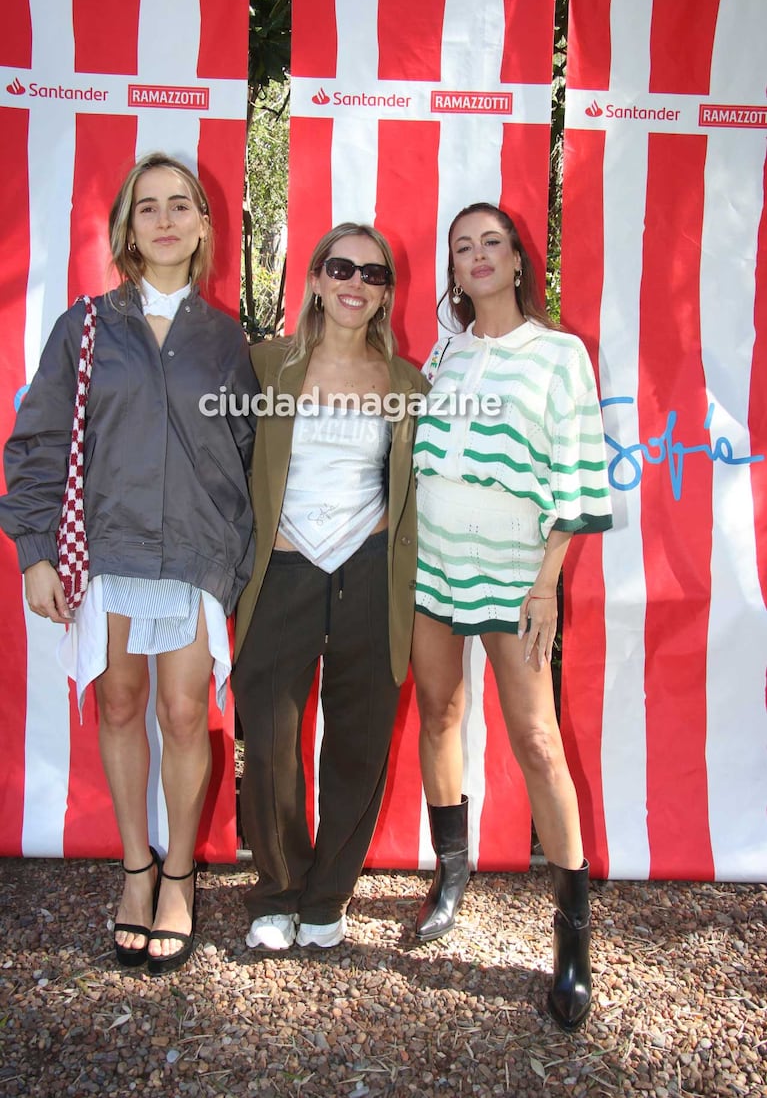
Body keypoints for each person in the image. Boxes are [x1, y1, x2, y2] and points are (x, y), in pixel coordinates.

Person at [0, 153, 257, 975]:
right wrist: (36, 551)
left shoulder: (226, 340)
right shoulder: (85, 327)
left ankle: (179, 873)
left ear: (203, 225)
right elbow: (37, 442)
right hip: (108, 548)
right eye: (148, 207)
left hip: (192, 553)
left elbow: (248, 457)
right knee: (118, 703)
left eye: (181, 205)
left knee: (185, 714)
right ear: (127, 228)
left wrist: (239, 567)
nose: (166, 219)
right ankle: (135, 868)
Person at [411, 202, 612, 1030]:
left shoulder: (561, 354)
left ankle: (571, 939)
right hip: (430, 563)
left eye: (491, 242)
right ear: (453, 271)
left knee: (535, 738)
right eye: (462, 247)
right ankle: (450, 871)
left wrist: (543, 586)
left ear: (519, 260)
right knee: (438, 714)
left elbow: (576, 475)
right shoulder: (444, 351)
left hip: (512, 572)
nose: (477, 255)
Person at [232, 222, 428, 951]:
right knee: (274, 740)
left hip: (369, 575)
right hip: (281, 572)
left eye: (372, 274)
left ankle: (327, 896)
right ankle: (276, 891)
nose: (355, 282)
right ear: (314, 278)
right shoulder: (261, 365)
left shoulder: (407, 383)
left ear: (383, 294)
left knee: (359, 740)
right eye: (340, 268)